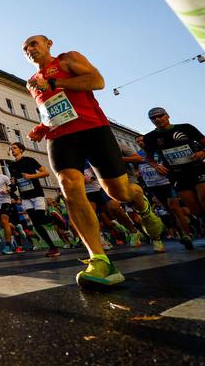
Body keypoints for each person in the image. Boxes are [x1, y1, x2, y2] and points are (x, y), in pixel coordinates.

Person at [23, 34, 165, 288]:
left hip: (93, 129)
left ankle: (142, 205)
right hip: (60, 136)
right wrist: (41, 129)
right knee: (68, 184)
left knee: (119, 193)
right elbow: (51, 108)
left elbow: (97, 81)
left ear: (48, 44)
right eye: (25, 49)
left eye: (33, 44)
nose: (29, 50)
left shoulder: (68, 60)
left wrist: (54, 82)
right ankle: (99, 260)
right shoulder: (31, 82)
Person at [142, 108, 205, 233]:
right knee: (195, 209)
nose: (158, 119)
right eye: (153, 118)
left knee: (204, 197)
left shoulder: (186, 128)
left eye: (160, 115)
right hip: (177, 175)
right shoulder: (150, 137)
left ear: (167, 116)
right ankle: (202, 222)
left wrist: (202, 152)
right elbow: (148, 158)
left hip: (197, 168)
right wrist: (156, 166)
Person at [135, 134, 192, 248]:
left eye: (142, 140)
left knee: (175, 208)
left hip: (167, 183)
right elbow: (137, 170)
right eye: (138, 142)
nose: (141, 143)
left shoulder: (157, 150)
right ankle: (182, 232)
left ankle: (187, 235)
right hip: (152, 186)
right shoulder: (137, 155)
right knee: (170, 210)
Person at [8, 142, 60, 257]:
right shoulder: (11, 166)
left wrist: (31, 176)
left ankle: (53, 216)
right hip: (25, 197)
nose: (12, 150)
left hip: (36, 194)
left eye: (15, 148)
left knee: (40, 218)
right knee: (36, 223)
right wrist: (11, 187)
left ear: (21, 150)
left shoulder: (30, 160)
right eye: (11, 149)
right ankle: (53, 248)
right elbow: (14, 182)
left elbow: (46, 173)